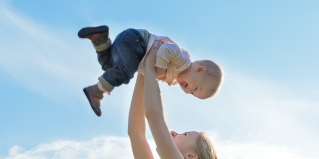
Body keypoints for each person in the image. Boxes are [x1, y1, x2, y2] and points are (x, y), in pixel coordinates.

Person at [78, 25, 224, 116]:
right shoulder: (183, 60)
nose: (189, 91)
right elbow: (168, 48)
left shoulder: (174, 76)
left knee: (109, 67)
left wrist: (162, 76)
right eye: (195, 88)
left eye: (192, 94)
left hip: (129, 47)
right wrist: (156, 70)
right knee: (125, 72)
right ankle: (96, 92)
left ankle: (101, 39)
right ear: (199, 69)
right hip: (137, 42)